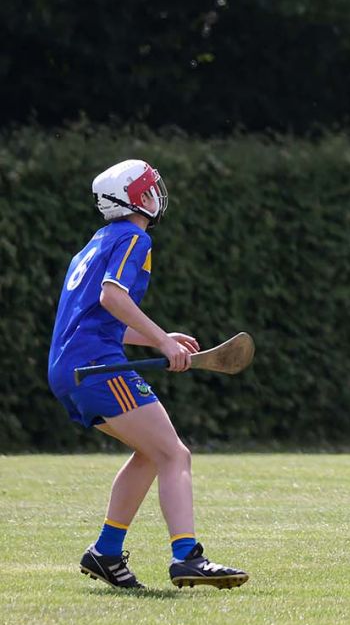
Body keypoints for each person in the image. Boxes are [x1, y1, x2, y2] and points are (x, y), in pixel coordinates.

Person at [48, 159, 248, 590]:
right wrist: (161, 341)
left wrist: (154, 335)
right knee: (175, 455)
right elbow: (111, 297)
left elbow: (97, 317)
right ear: (138, 197)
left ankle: (105, 552)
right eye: (151, 187)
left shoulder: (96, 241)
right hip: (98, 367)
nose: (158, 193)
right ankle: (186, 557)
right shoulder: (134, 237)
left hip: (72, 368)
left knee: (151, 453)